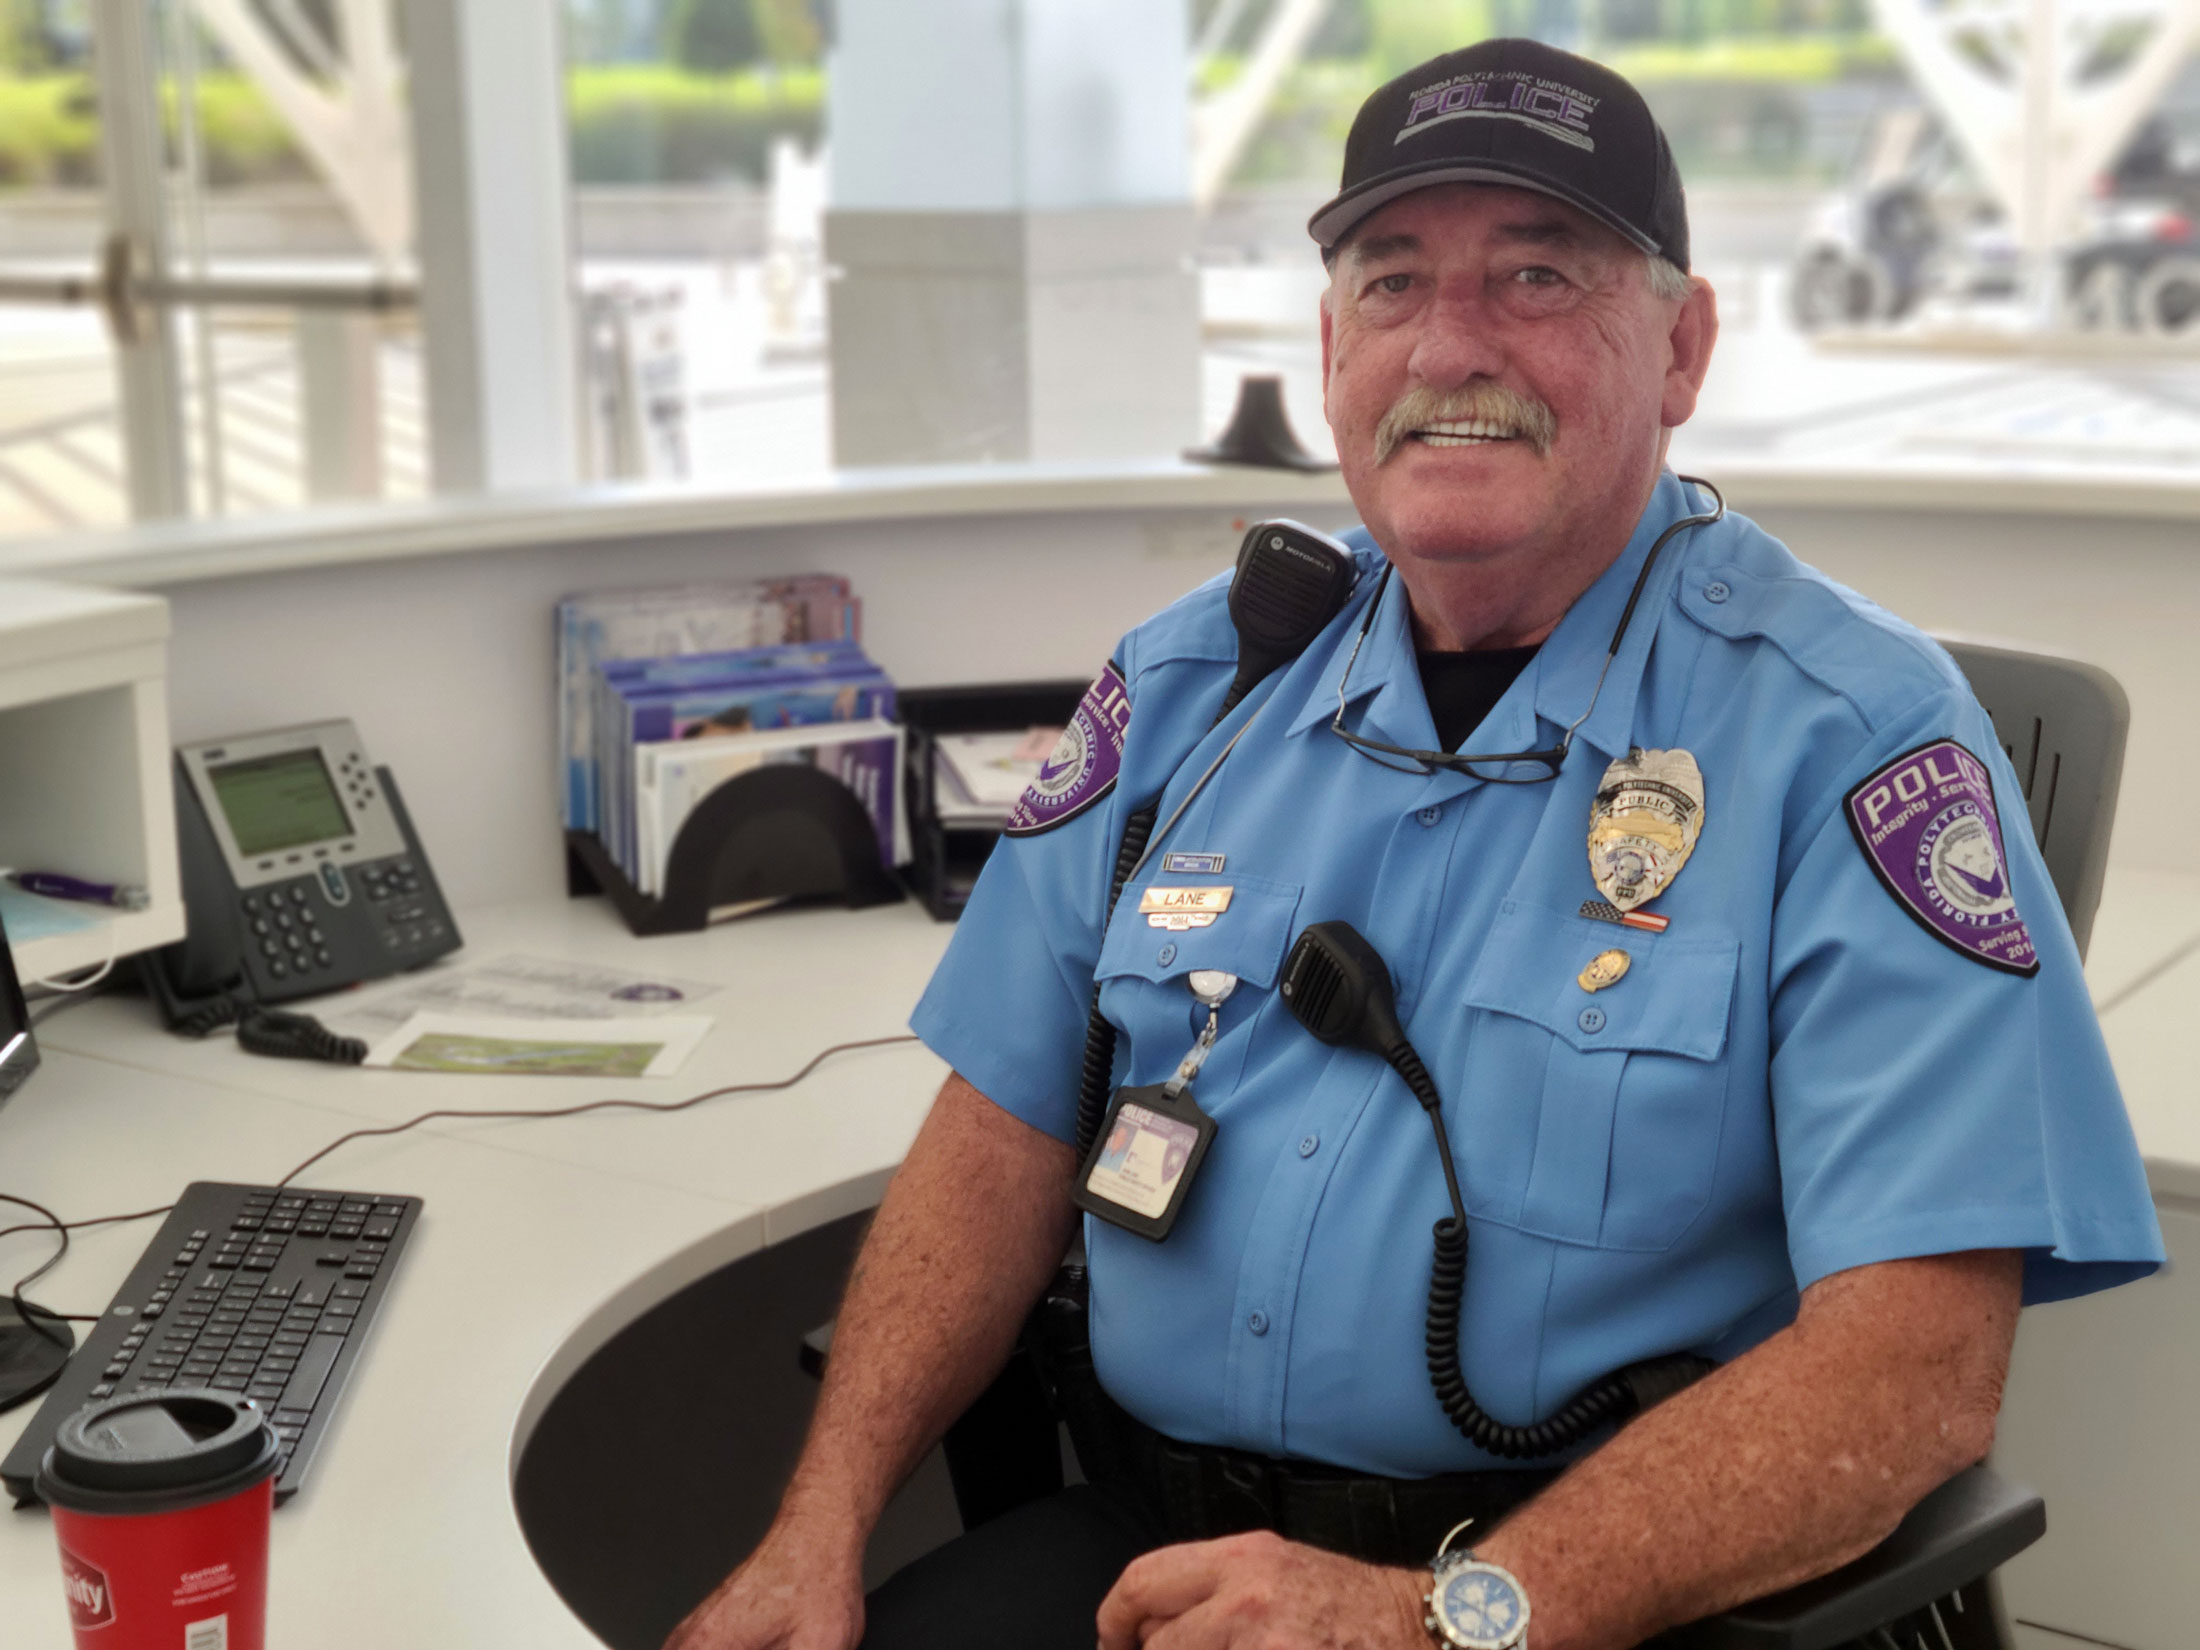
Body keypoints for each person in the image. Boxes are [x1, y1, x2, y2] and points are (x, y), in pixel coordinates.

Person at [666, 37, 2164, 1650]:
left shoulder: (1852, 738)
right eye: (1393, 284)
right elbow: (1001, 1131)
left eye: (1538, 274)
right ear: (1331, 346)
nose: (1455, 344)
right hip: (1147, 1566)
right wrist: (816, 1524)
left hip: (1578, 1599)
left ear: (1681, 346)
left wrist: (1435, 1619)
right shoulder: (1190, 684)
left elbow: (1914, 1367)